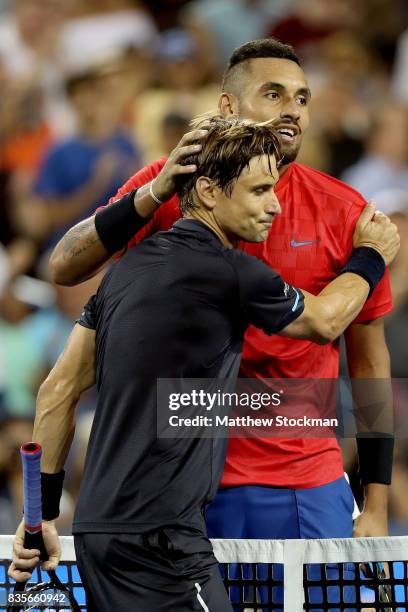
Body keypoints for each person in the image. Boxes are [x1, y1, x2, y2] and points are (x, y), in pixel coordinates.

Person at [8, 118, 399, 612]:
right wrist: (370, 256)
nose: (274, 205)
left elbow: (57, 391)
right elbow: (325, 320)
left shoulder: (123, 272)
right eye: (259, 191)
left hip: (97, 532)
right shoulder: (231, 272)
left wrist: (39, 516)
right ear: (211, 192)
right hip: (162, 543)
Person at [48, 38, 395, 548]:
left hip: (299, 482)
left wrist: (377, 503)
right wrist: (152, 193)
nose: (292, 111)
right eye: (273, 94)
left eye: (301, 98)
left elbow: (369, 364)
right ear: (227, 106)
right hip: (180, 484)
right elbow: (65, 266)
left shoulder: (345, 211)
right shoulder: (175, 184)